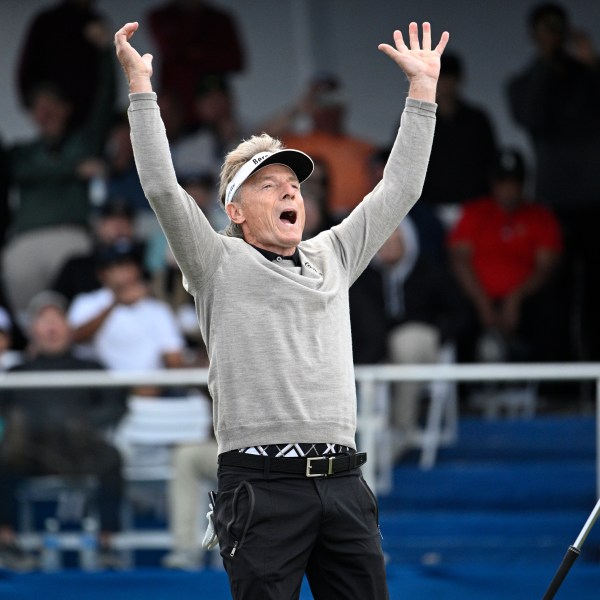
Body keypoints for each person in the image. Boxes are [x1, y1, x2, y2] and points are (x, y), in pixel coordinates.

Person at [115, 19, 448, 598]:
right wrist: (142, 90)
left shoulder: (334, 253)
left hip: (344, 482)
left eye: (292, 182)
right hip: (259, 487)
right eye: (267, 184)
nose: (289, 190)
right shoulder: (214, 260)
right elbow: (165, 190)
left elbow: (401, 188)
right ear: (235, 212)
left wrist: (422, 93)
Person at [0, 291, 125, 570]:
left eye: (57, 318)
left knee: (111, 457)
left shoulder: (90, 368)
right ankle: (6, 543)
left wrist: (87, 422)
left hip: (78, 450)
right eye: (43, 319)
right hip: (31, 454)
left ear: (68, 326)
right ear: (33, 329)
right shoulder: (18, 373)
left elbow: (116, 404)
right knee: (4, 458)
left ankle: (106, 546)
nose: (51, 326)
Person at [3, 17, 116, 322]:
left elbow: (105, 103)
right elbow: (22, 172)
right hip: (24, 243)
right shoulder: (22, 153)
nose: (46, 111)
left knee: (76, 318)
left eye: (52, 103)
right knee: (30, 324)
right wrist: (72, 170)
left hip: (70, 239)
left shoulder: (84, 143)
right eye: (39, 106)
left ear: (67, 108)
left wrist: (106, 52)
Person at [506, 2, 600, 361]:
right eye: (544, 29)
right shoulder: (525, 82)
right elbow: (529, 114)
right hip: (554, 202)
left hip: (595, 200)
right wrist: (546, 62)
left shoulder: (588, 74)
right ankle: (559, 381)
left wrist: (593, 66)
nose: (552, 34)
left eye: (556, 27)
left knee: (595, 294)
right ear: (534, 35)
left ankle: (594, 379)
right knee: (553, 294)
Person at [350, 217, 469, 459]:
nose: (390, 248)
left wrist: (439, 332)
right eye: (384, 243)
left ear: (409, 241)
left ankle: (401, 429)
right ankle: (357, 435)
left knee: (406, 341)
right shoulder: (364, 278)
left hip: (423, 343)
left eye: (396, 241)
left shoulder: (430, 270)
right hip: (378, 348)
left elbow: (462, 314)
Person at [448, 148, 563, 365]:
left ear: (523, 183)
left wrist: (516, 298)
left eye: (514, 182)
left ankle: (550, 393)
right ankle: (462, 395)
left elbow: (547, 267)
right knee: (458, 316)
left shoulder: (541, 216)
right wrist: (483, 304)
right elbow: (459, 260)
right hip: (478, 297)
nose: (508, 189)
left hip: (527, 299)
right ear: (493, 183)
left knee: (551, 313)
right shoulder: (475, 212)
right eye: (503, 181)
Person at [261, 73, 376, 221]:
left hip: (357, 220)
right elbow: (257, 140)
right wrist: (297, 109)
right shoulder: (296, 143)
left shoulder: (364, 147)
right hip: (310, 220)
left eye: (334, 101)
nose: (328, 109)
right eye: (321, 102)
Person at [67, 241, 186, 385]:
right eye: (118, 266)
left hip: (153, 389)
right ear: (102, 274)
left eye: (130, 265)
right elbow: (74, 339)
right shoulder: (86, 302)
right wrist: (115, 303)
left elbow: (174, 359)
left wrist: (159, 384)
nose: (126, 272)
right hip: (103, 389)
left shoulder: (158, 309)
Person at [417, 51, 498, 226]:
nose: (446, 84)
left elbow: (491, 163)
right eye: (440, 78)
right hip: (428, 210)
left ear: (459, 80)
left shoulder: (477, 120)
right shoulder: (417, 120)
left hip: (473, 209)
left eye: (450, 78)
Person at [16, 0, 117, 128]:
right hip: (75, 118)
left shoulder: (95, 23)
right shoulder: (47, 21)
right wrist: (42, 100)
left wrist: (105, 50)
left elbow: (105, 85)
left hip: (88, 119)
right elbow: (27, 71)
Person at [146, 0, 246, 129]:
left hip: (210, 100)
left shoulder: (220, 19)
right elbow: (170, 48)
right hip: (178, 103)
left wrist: (195, 53)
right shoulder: (162, 16)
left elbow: (235, 61)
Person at [52, 198, 145, 304]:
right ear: (99, 226)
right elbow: (54, 301)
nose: (119, 227)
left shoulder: (144, 261)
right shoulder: (77, 266)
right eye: (112, 221)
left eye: (125, 221)